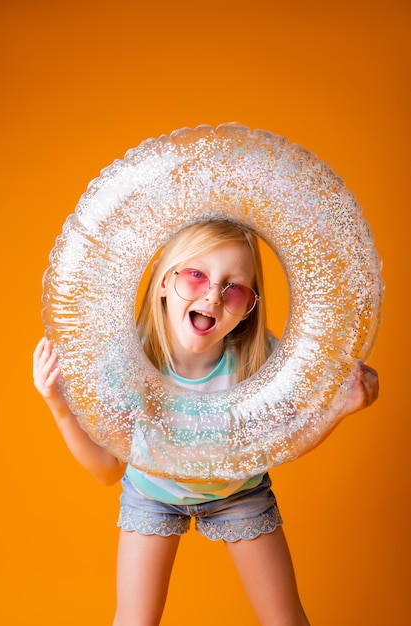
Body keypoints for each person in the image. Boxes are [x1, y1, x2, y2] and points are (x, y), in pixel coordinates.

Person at [33, 219, 379, 626]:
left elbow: (288, 440)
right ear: (164, 281)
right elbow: (108, 471)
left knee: (285, 619)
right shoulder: (129, 363)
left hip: (239, 491)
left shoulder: (262, 359)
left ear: (249, 307)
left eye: (234, 288)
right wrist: (57, 403)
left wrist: (338, 410)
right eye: (197, 275)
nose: (214, 296)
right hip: (153, 491)